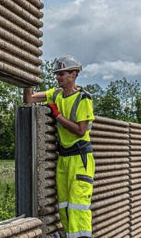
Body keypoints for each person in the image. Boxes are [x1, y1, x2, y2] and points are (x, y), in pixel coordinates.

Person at [24, 56, 94, 238]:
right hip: (63, 159)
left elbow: (80, 130)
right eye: (56, 74)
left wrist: (58, 115)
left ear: (73, 74)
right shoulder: (55, 94)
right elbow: (29, 99)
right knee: (64, 206)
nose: (58, 78)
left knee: (78, 206)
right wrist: (27, 77)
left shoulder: (83, 99)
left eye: (61, 74)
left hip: (80, 159)